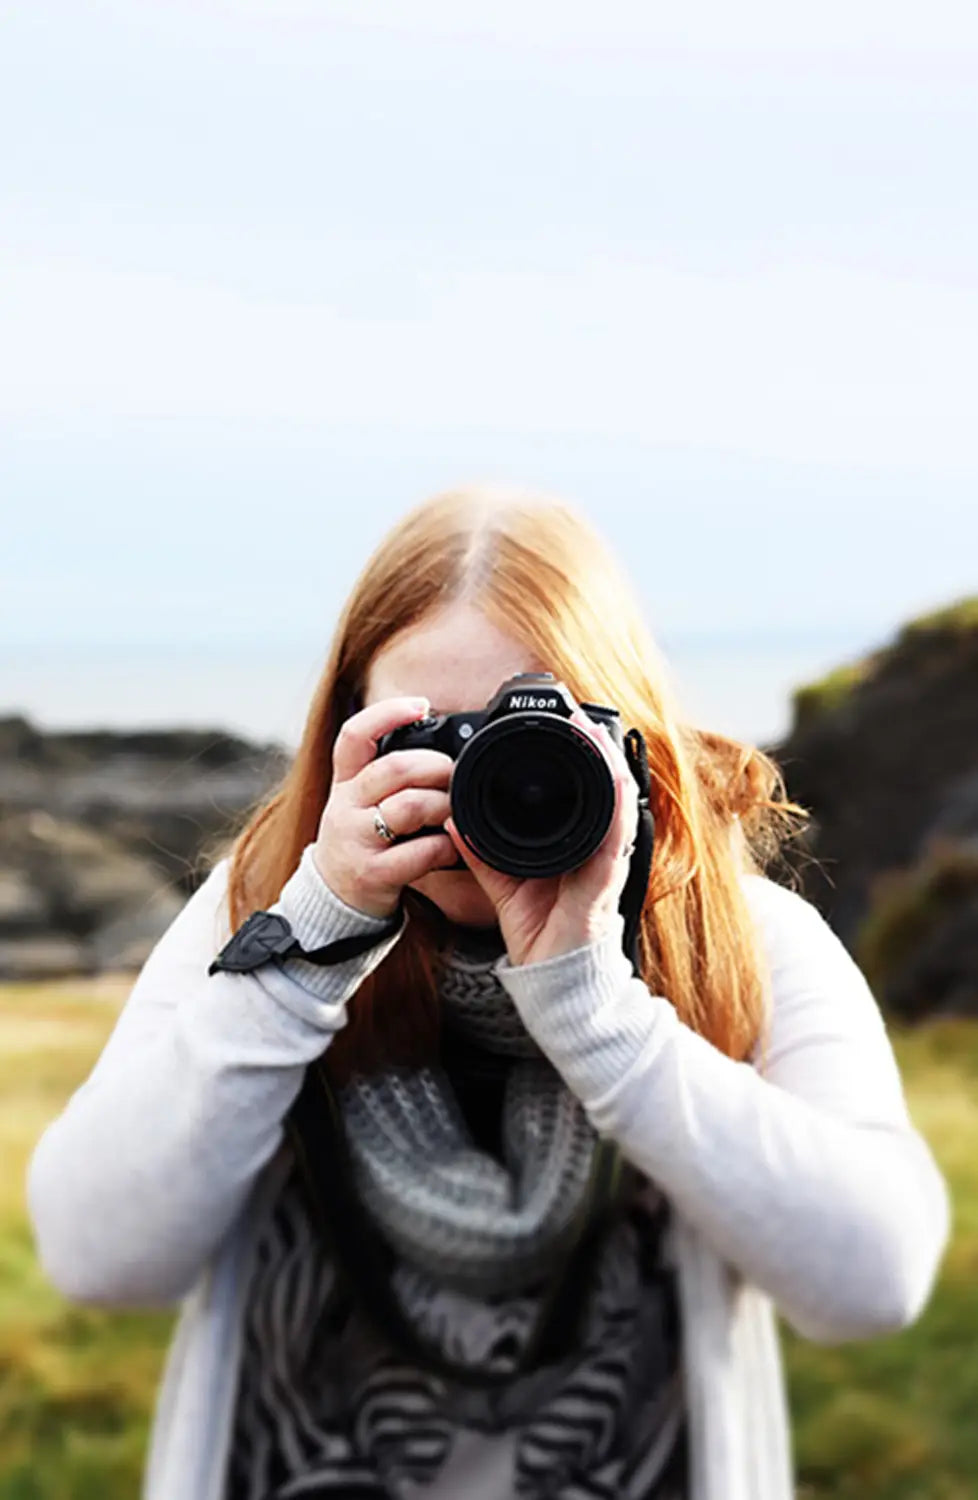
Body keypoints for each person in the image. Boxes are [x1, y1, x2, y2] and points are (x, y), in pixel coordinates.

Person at [27, 486, 950, 1500]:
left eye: (535, 734)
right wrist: (313, 940)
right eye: (433, 737)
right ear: (346, 733)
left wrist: (598, 1010)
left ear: (628, 736)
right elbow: (98, 1257)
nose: (487, 787)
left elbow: (873, 1282)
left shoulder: (739, 939)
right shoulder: (261, 917)